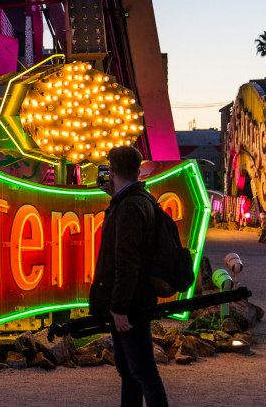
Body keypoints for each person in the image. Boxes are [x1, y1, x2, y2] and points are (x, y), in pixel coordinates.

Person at [89, 146, 169, 407]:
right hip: (138, 297)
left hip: (131, 303)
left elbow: (126, 261)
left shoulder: (128, 207)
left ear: (111, 171)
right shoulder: (140, 199)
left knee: (142, 371)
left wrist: (119, 307)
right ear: (138, 169)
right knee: (130, 372)